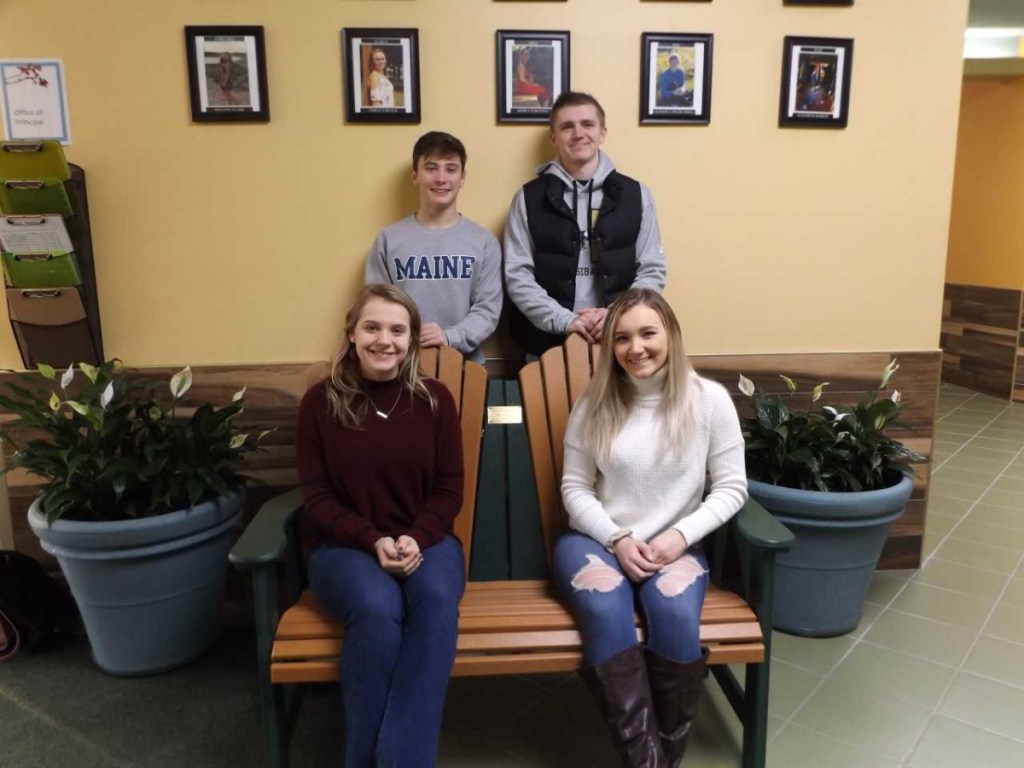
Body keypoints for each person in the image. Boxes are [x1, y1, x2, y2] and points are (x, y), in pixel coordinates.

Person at [553, 288, 747, 768]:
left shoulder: (710, 402)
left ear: (672, 336)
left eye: (647, 333)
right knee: (604, 609)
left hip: (675, 549)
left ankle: (661, 758)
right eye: (621, 338)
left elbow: (732, 488)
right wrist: (617, 539)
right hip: (593, 542)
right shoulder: (594, 405)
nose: (635, 348)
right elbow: (575, 489)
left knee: (677, 617)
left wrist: (681, 535)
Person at [295, 283, 465, 767]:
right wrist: (373, 540)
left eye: (397, 330)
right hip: (344, 548)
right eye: (372, 327)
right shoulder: (320, 404)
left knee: (434, 603)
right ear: (351, 334)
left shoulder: (435, 401)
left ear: (412, 340)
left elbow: (449, 489)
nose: (383, 340)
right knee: (376, 609)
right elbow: (316, 497)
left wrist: (414, 536)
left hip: (428, 541)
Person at [504, 91, 666, 357]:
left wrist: (616, 314)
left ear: (602, 132)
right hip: (544, 345)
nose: (578, 133)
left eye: (587, 124)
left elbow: (652, 268)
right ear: (553, 137)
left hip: (621, 341)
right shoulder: (527, 198)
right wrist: (565, 320)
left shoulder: (636, 195)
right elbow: (517, 274)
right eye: (567, 126)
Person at [365, 131, 502, 364]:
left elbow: (487, 311)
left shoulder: (484, 242)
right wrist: (406, 339)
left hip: (466, 370)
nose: (441, 178)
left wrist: (449, 337)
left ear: (463, 178)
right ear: (415, 175)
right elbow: (376, 309)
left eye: (451, 169)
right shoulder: (388, 240)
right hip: (401, 366)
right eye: (431, 168)